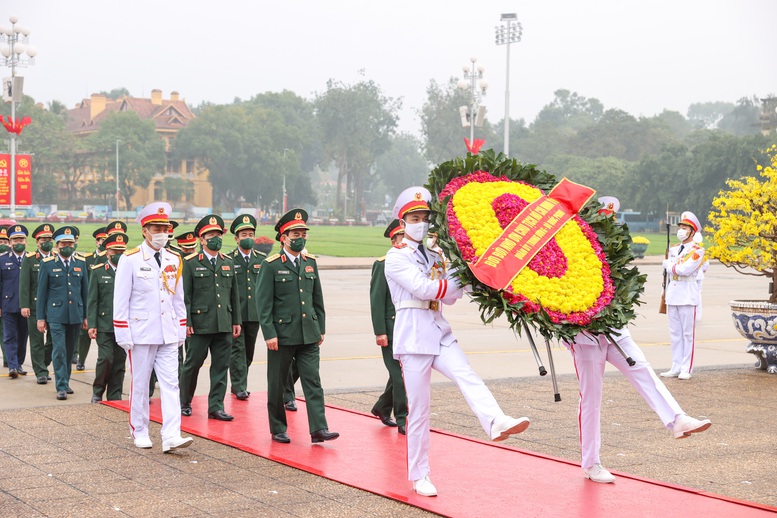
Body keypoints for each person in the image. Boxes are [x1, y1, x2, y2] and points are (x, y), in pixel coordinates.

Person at [384, 187, 529, 497]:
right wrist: (457, 279)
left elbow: (452, 296)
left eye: (424, 217)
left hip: (438, 329)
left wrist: (460, 278)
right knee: (420, 410)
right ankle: (420, 474)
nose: (420, 223)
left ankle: (495, 421)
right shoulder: (395, 258)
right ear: (402, 220)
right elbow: (423, 288)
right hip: (413, 337)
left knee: (467, 374)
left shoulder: (436, 254)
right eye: (414, 217)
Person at [563, 328, 712, 483]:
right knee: (591, 398)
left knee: (643, 371)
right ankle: (591, 463)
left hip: (614, 330)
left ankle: (678, 419)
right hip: (583, 338)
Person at [113, 202, 192, 452]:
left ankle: (171, 435)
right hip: (141, 333)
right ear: (145, 230)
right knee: (141, 383)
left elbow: (178, 298)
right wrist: (122, 332)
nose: (162, 233)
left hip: (168, 332)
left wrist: (180, 329)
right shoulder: (131, 259)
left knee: (171, 383)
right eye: (157, 228)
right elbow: (121, 300)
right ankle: (140, 429)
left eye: (165, 228)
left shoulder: (174, 258)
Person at [256, 208, 339, 444]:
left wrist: (320, 327)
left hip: (309, 334)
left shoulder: (310, 262)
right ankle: (278, 428)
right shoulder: (271, 265)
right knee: (277, 383)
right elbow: (264, 304)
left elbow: (317, 299)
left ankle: (319, 428)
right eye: (295, 233)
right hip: (282, 335)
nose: (300, 237)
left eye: (303, 232)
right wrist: (269, 334)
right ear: (283, 237)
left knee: (313, 381)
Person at [179, 214, 241, 421]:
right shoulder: (189, 263)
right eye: (211, 235)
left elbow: (234, 294)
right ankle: (184, 401)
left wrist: (236, 321)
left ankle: (216, 406)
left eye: (218, 234)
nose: (216, 238)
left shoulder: (228, 262)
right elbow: (185, 296)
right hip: (199, 325)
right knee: (192, 364)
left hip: (223, 323)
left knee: (221, 367)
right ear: (201, 239)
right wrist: (187, 321)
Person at [37, 226, 88, 400]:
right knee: (59, 350)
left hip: (75, 314)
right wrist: (40, 318)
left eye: (71, 243)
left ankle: (65, 382)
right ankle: (60, 386)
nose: (68, 246)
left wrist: (86, 316)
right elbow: (41, 294)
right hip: (55, 315)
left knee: (69, 349)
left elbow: (85, 292)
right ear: (57, 245)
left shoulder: (80, 263)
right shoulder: (47, 264)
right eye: (64, 243)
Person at [369, 219, 408, 434]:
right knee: (400, 376)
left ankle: (383, 407)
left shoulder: (413, 261)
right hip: (391, 331)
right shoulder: (383, 264)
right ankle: (403, 417)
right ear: (393, 241)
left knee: (401, 374)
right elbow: (376, 300)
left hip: (409, 328)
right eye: (402, 236)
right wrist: (380, 331)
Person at [661, 211, 705, 380]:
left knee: (688, 334)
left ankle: (686, 367)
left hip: (687, 294)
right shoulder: (673, 250)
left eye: (685, 227)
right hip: (673, 293)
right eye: (680, 227)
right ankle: (676, 365)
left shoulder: (697, 251)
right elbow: (668, 274)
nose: (681, 230)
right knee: (675, 333)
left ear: (692, 232)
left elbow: (684, 269)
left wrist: (668, 265)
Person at [87, 232, 129, 403]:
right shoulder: (98, 272)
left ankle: (115, 394)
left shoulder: (129, 270)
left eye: (121, 250)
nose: (118, 254)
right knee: (105, 358)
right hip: (104, 324)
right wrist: (92, 324)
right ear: (107, 252)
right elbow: (93, 300)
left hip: (124, 325)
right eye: (114, 251)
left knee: (119, 361)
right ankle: (98, 391)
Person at [228, 214, 265, 400]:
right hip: (236, 314)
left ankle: (239, 382)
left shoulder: (262, 259)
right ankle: (239, 385)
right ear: (236, 238)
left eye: (251, 234)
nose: (248, 237)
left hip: (254, 313)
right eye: (244, 234)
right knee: (237, 350)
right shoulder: (228, 259)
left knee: (248, 352)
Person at [20, 224, 56, 384]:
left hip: (54, 306)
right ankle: (40, 371)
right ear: (37, 242)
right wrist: (24, 304)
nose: (47, 242)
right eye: (43, 239)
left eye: (49, 239)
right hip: (34, 306)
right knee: (36, 341)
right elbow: (24, 284)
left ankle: (43, 363)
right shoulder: (29, 260)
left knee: (53, 340)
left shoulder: (56, 257)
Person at [1, 224, 30, 379]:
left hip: (26, 306)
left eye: (21, 239)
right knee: (9, 336)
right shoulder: (3, 259)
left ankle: (19, 363)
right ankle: (12, 366)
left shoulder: (31, 259)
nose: (18, 242)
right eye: (15, 239)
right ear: (10, 242)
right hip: (8, 304)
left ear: (26, 241)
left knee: (23, 337)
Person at [0, 227, 8, 369]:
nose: (3, 244)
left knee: (5, 332)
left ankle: (8, 359)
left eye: (5, 242)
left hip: (6, 301)